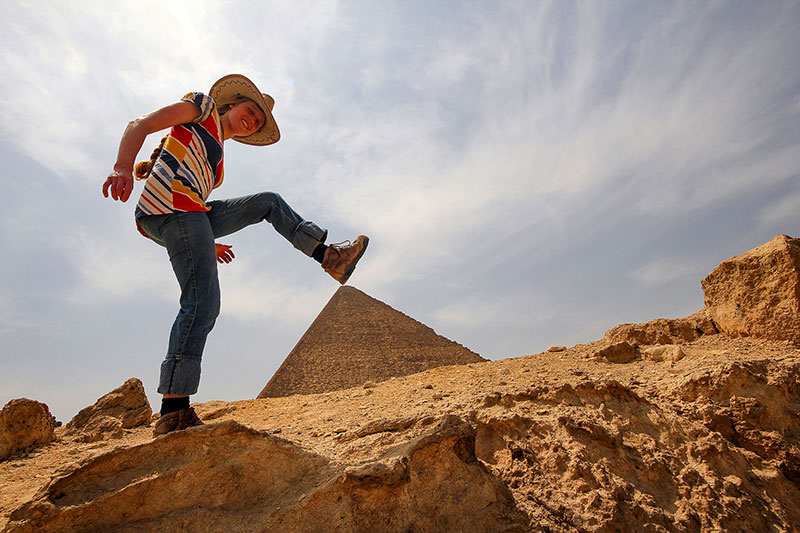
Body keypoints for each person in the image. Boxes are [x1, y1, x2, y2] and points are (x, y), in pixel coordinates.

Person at [102, 74, 368, 436]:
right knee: (202, 302)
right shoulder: (202, 107)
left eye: (258, 121)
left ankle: (328, 256)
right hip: (171, 210)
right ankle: (173, 411)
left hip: (189, 215)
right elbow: (143, 124)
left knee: (268, 202)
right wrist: (122, 166)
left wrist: (206, 241)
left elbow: (190, 198)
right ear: (232, 105)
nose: (253, 119)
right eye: (251, 110)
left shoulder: (218, 164)